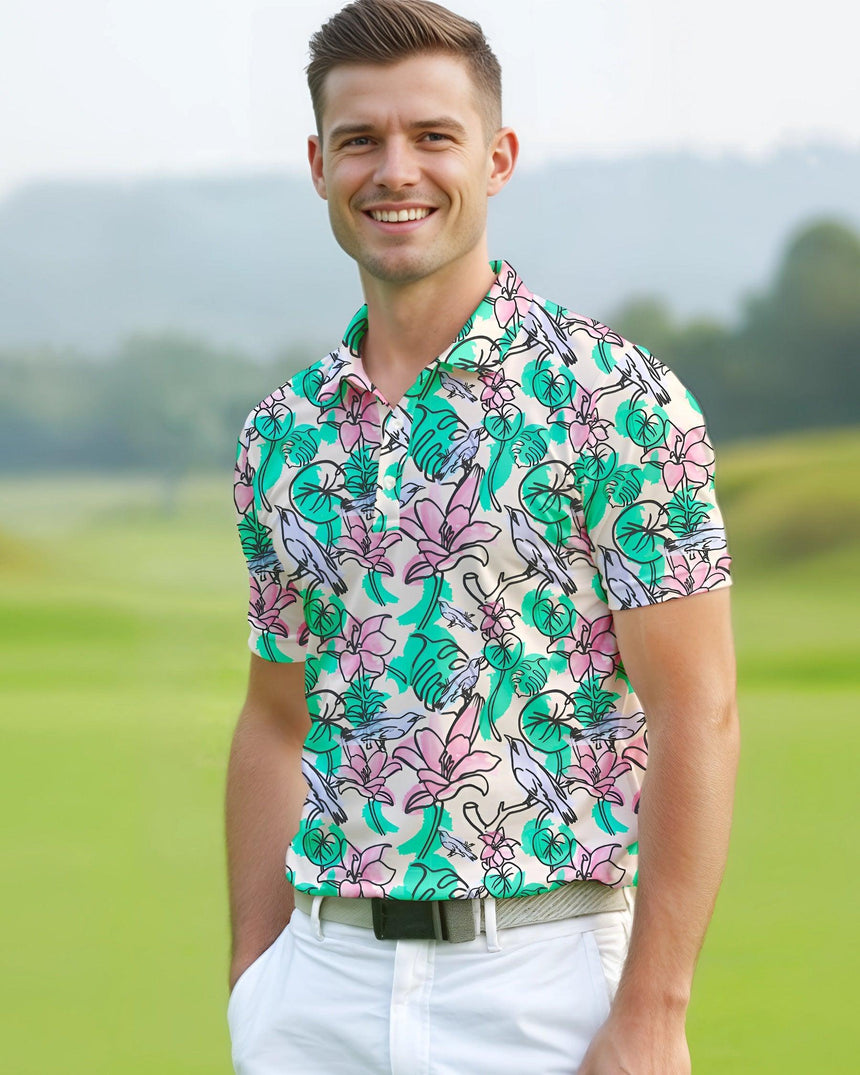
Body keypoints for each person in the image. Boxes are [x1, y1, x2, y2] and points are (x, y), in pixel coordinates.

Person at [226, 1, 739, 1072]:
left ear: (496, 158)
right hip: (318, 992)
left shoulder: (613, 398)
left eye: (433, 136)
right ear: (318, 163)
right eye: (360, 140)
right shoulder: (282, 432)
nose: (394, 169)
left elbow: (698, 708)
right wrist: (255, 974)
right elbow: (276, 713)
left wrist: (651, 1011)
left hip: (541, 986)